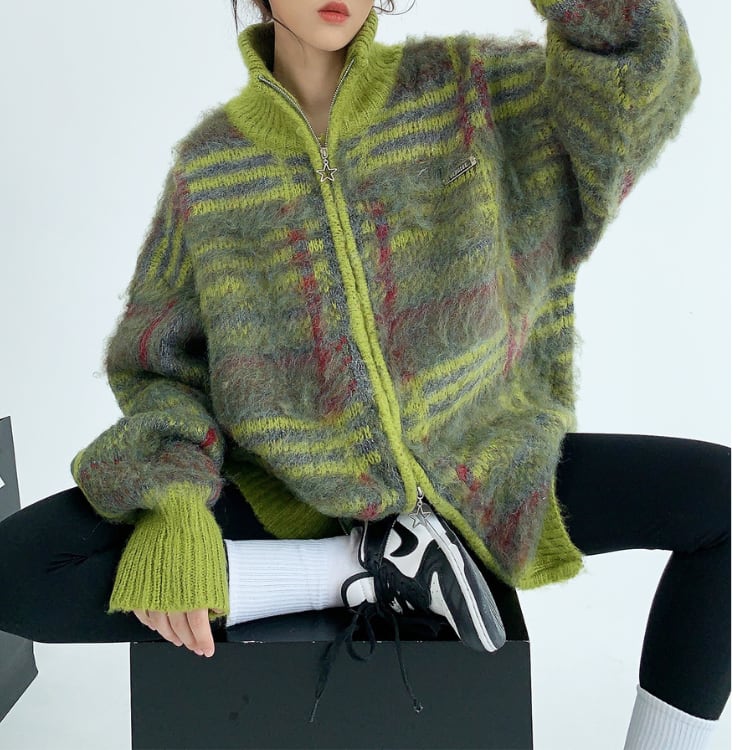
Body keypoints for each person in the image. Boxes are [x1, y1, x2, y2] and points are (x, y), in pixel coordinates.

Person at [0, 0, 730, 747]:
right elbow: (160, 363)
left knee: (725, 501)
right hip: (297, 494)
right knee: (19, 570)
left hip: (484, 474)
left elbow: (641, 75)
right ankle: (365, 565)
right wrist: (175, 504)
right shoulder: (212, 169)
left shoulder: (468, 88)